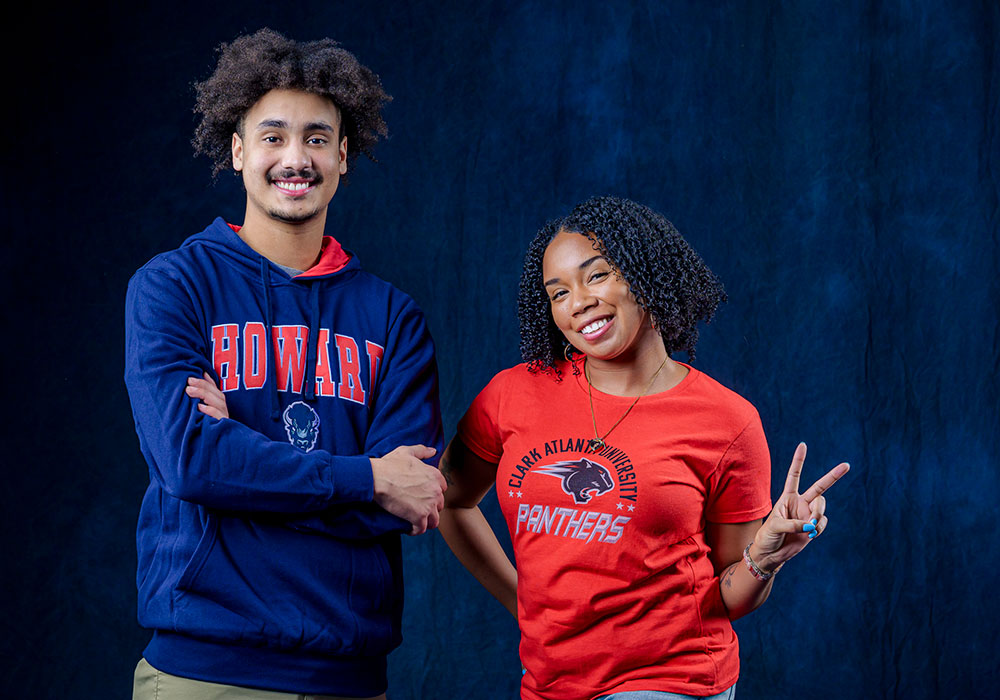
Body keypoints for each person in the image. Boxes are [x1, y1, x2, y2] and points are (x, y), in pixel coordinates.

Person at [124, 29, 446, 700]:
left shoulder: (392, 318)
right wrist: (365, 475)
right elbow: (190, 462)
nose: (295, 158)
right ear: (238, 150)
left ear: (344, 156)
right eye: (273, 136)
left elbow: (404, 498)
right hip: (205, 673)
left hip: (348, 678)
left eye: (318, 138)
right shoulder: (173, 286)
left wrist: (237, 456)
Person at [438, 196, 850, 700]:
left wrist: (765, 559)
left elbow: (728, 596)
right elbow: (450, 500)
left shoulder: (726, 421)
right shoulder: (513, 394)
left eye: (596, 276)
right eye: (557, 292)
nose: (578, 302)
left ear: (645, 273)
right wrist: (519, 598)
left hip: (670, 679)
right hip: (549, 683)